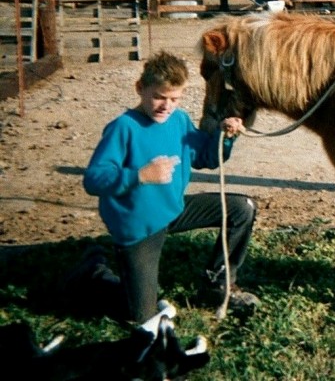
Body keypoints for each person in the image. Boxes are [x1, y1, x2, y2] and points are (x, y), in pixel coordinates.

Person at [66, 50, 260, 324]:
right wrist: (140, 176)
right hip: (139, 228)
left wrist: (225, 136)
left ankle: (216, 283)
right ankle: (94, 272)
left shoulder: (178, 120)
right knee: (140, 316)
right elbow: (93, 179)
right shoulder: (123, 128)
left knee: (242, 209)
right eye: (159, 96)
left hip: (173, 210)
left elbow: (205, 157)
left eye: (174, 99)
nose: (165, 106)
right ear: (140, 88)